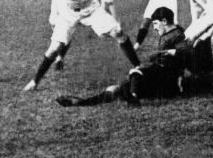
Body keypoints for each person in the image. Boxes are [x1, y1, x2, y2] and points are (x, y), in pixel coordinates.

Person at [55, 7, 192, 107]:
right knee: (118, 88)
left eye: (155, 24)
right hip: (158, 78)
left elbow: (187, 53)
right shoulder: (170, 34)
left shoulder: (178, 34)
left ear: (164, 21)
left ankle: (133, 98)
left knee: (135, 72)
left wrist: (169, 53)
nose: (154, 28)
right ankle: (81, 102)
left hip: (166, 79)